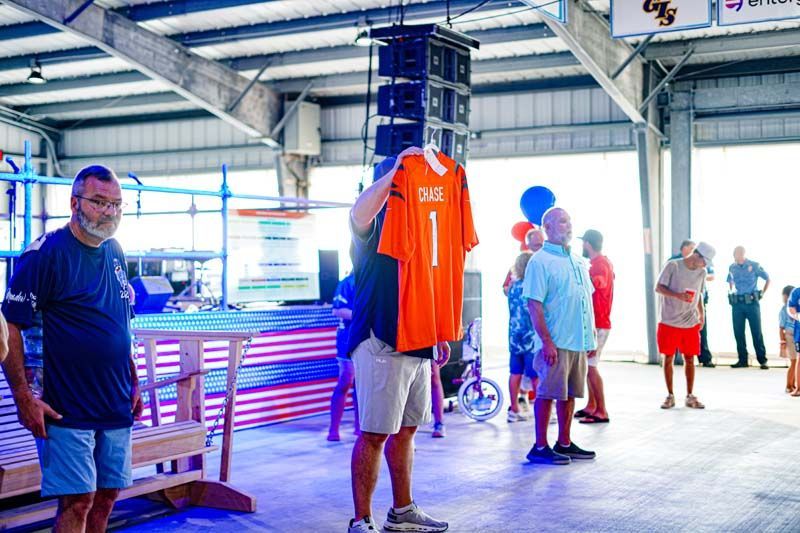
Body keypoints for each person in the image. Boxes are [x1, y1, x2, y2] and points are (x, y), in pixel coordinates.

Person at [0, 165, 140, 533]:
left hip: (114, 401)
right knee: (78, 501)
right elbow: (10, 326)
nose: (109, 212)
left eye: (116, 205)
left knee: (107, 497)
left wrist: (134, 380)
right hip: (65, 406)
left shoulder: (115, 251)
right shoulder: (45, 254)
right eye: (99, 202)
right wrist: (23, 397)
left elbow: (122, 321)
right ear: (74, 202)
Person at [347, 149, 450, 533]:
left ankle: (402, 510)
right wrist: (395, 171)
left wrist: (437, 330)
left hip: (417, 342)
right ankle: (362, 520)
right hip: (380, 341)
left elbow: (428, 285)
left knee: (407, 430)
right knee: (375, 432)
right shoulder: (373, 222)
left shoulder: (420, 228)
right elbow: (358, 212)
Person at [523, 207, 597, 465]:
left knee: (571, 393)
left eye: (570, 220)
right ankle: (540, 446)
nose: (569, 225)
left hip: (577, 340)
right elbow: (534, 304)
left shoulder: (576, 260)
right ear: (549, 228)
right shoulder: (540, 261)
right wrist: (546, 341)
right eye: (563, 221)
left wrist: (591, 337)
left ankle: (564, 442)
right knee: (547, 393)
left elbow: (585, 299)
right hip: (554, 342)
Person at [655, 242, 715, 410]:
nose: (705, 266)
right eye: (705, 262)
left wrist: (701, 313)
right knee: (668, 358)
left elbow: (699, 294)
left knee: (690, 358)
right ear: (697, 256)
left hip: (690, 321)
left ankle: (689, 395)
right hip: (668, 320)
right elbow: (658, 287)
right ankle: (670, 395)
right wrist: (677, 296)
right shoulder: (672, 266)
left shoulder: (702, 273)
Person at [575, 229, 613, 424]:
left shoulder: (599, 265)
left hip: (598, 323)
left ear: (588, 244)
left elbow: (599, 282)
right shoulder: (602, 263)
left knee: (591, 367)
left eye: (583, 243)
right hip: (597, 321)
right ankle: (592, 405)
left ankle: (602, 410)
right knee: (589, 365)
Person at [670, 240, 716, 367]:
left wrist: (694, 276)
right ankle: (670, 357)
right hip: (678, 303)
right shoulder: (673, 262)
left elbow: (712, 276)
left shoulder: (702, 268)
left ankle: (705, 358)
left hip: (698, 299)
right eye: (691, 247)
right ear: (683, 249)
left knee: (700, 329)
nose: (692, 249)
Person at [506, 251, 538, 422]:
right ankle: (542, 409)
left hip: (514, 337)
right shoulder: (532, 287)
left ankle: (514, 409)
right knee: (536, 375)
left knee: (515, 372)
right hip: (530, 337)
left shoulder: (513, 287)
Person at [727, 246, 770, 369]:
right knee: (738, 332)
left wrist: (762, 293)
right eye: (735, 254)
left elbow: (767, 278)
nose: (737, 256)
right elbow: (730, 281)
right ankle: (742, 360)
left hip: (752, 303)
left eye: (739, 254)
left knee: (756, 331)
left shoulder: (754, 265)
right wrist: (730, 291)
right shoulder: (732, 267)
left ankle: (762, 360)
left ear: (743, 254)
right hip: (737, 304)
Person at [328, 271, 359, 441]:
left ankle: (360, 427)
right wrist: (364, 317)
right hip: (347, 337)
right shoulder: (348, 282)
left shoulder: (373, 280)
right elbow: (337, 310)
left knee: (363, 386)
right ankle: (333, 430)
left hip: (368, 338)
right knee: (346, 380)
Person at [503, 228, 545, 296]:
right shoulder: (520, 264)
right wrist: (512, 289)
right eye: (537, 245)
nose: (540, 249)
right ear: (528, 245)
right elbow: (505, 288)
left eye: (542, 245)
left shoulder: (550, 263)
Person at [779, 285, 798, 394]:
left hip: (796, 336)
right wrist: (782, 341)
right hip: (789, 336)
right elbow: (781, 327)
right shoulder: (784, 309)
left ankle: (794, 384)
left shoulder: (795, 307)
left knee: (796, 362)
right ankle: (788, 385)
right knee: (794, 362)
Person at [788, 287, 800, 397]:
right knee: (799, 359)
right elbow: (791, 307)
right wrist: (796, 315)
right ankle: (798, 388)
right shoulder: (797, 292)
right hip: (799, 332)